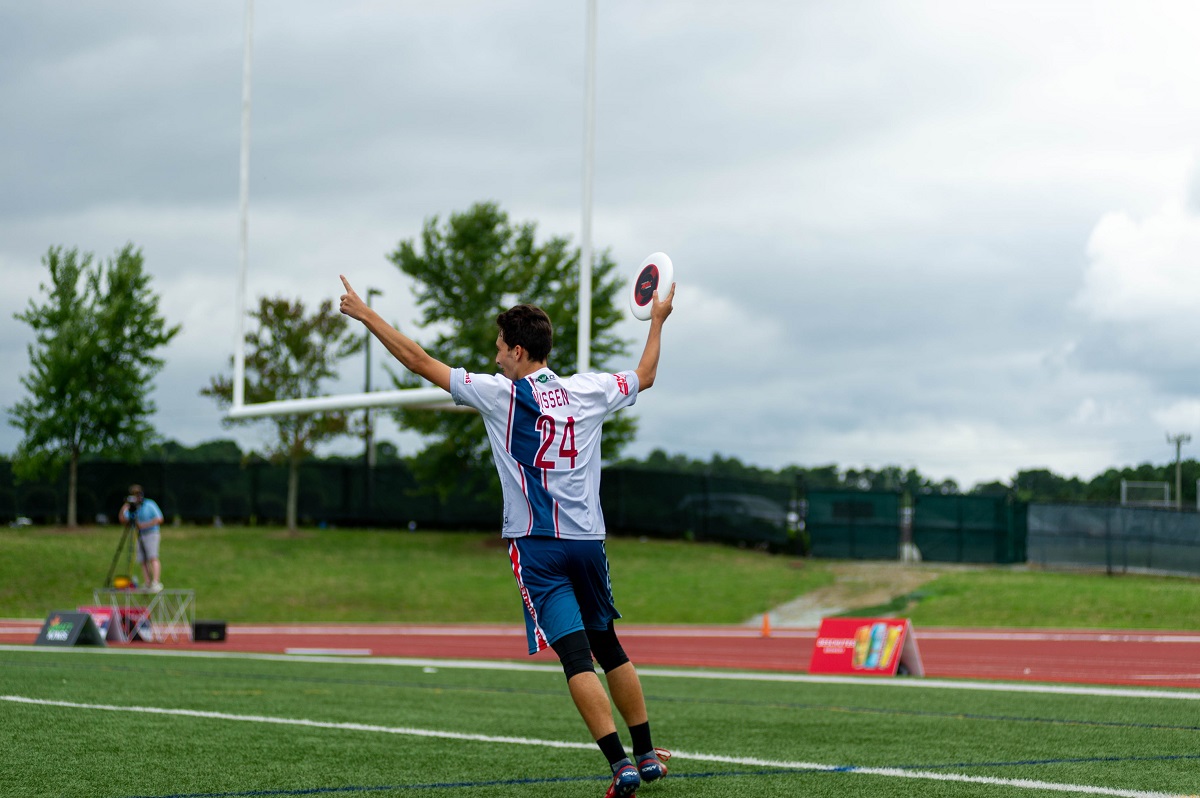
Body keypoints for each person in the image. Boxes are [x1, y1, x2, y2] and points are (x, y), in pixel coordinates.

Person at [339, 273, 674, 798]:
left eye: (499, 348)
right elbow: (646, 374)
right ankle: (647, 754)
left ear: (518, 351)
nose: (495, 357)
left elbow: (418, 361)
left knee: (576, 657)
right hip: (588, 543)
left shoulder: (501, 395)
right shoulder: (589, 389)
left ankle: (620, 765)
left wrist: (366, 315)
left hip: (538, 547)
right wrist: (657, 319)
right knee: (609, 645)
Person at [119, 484, 165, 593]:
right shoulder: (132, 508)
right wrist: (124, 508)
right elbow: (123, 520)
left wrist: (144, 525)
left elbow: (159, 519)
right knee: (142, 559)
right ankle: (147, 582)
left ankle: (156, 582)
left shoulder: (150, 504)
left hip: (151, 533)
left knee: (152, 556)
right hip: (139, 535)